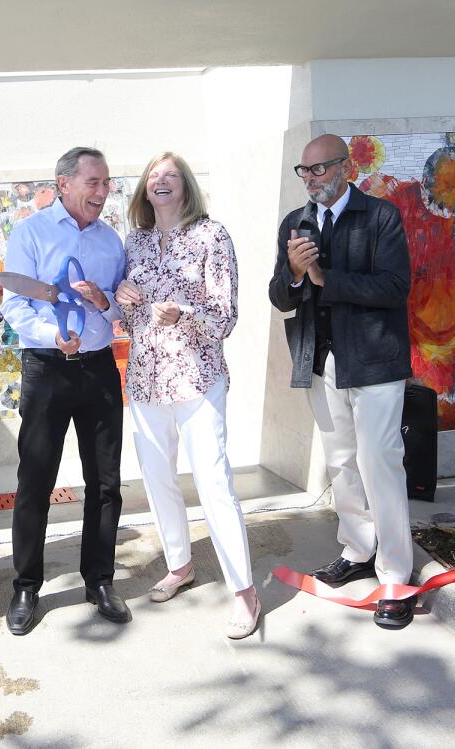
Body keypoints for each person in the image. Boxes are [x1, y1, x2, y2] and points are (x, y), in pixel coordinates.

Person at [268, 134, 417, 630]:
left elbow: (395, 288)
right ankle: (357, 548)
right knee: (341, 462)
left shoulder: (380, 217)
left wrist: (324, 278)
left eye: (321, 169)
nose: (311, 179)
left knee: (380, 463)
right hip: (320, 361)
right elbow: (281, 297)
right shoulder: (295, 224)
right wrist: (293, 271)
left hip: (375, 363)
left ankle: (396, 576)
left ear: (346, 167)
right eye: (304, 172)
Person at [115, 153, 261, 639]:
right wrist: (124, 299)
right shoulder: (133, 242)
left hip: (198, 378)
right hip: (145, 381)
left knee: (214, 482)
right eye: (153, 176)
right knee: (157, 480)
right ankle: (180, 565)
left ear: (186, 188)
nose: (160, 182)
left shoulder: (212, 236)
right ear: (144, 189)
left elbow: (225, 316)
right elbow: (126, 316)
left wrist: (184, 313)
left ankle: (244, 591)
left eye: (170, 176)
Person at [1, 146, 127, 636]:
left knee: (106, 483)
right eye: (93, 182)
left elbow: (121, 308)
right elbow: (15, 305)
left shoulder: (112, 241)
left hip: (98, 371)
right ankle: (26, 586)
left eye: (106, 182)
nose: (102, 192)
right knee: (35, 481)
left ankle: (99, 580)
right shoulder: (30, 233)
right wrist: (51, 335)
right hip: (46, 369)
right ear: (63, 185)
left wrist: (106, 301)